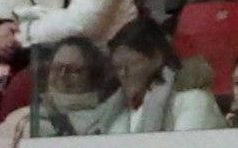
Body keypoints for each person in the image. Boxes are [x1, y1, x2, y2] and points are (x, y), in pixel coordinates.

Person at [0, 0, 138, 142]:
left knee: (21, 93)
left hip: (94, 56)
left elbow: (85, 21)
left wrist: (22, 34)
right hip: (29, 49)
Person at [90, 15, 225, 133]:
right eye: (118, 67)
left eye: (131, 64)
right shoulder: (117, 111)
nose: (123, 73)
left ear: (157, 58)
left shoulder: (193, 100)